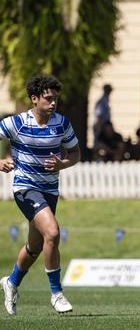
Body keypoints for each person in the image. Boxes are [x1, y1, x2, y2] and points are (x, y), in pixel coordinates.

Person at [0, 74, 80, 315]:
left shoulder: (62, 123)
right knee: (53, 232)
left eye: (55, 98)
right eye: (48, 99)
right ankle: (56, 293)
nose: (53, 103)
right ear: (34, 99)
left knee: (35, 246)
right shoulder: (17, 123)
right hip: (25, 187)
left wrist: (62, 164)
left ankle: (11, 282)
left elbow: (75, 152)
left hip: (50, 190)